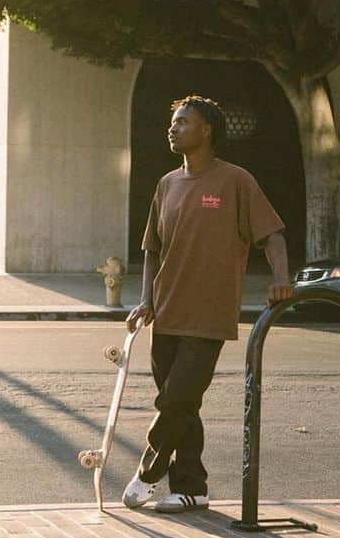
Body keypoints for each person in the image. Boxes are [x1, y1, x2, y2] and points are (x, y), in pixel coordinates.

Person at [122, 95, 292, 513]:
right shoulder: (166, 184)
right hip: (166, 313)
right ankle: (192, 488)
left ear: (206, 130)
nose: (173, 128)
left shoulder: (234, 181)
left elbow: (273, 236)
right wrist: (146, 300)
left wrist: (281, 280)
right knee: (184, 406)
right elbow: (151, 249)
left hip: (209, 316)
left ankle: (146, 475)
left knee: (175, 401)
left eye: (183, 122)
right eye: (173, 122)